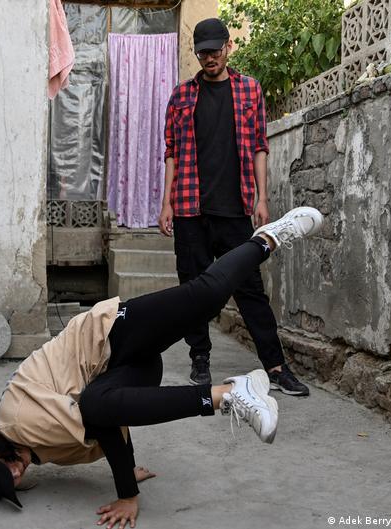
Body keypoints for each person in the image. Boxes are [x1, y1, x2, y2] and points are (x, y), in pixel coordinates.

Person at [0, 207, 323, 527]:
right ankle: (231, 393)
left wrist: (126, 491)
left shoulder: (21, 422)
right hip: (124, 369)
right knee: (98, 402)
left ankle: (269, 238)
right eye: (5, 484)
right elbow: (110, 411)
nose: (15, 475)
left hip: (109, 334)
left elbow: (98, 418)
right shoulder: (34, 449)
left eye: (1, 471)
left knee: (204, 297)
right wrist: (126, 468)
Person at [158, 18, 310, 396]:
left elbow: (260, 145)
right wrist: (166, 204)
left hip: (236, 209)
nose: (209, 58)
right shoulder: (181, 97)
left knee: (251, 290)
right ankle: (200, 359)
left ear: (229, 47)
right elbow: (172, 154)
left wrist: (262, 198)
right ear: (197, 53)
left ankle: (275, 367)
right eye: (203, 52)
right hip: (191, 209)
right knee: (194, 290)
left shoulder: (249, 91)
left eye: (216, 50)